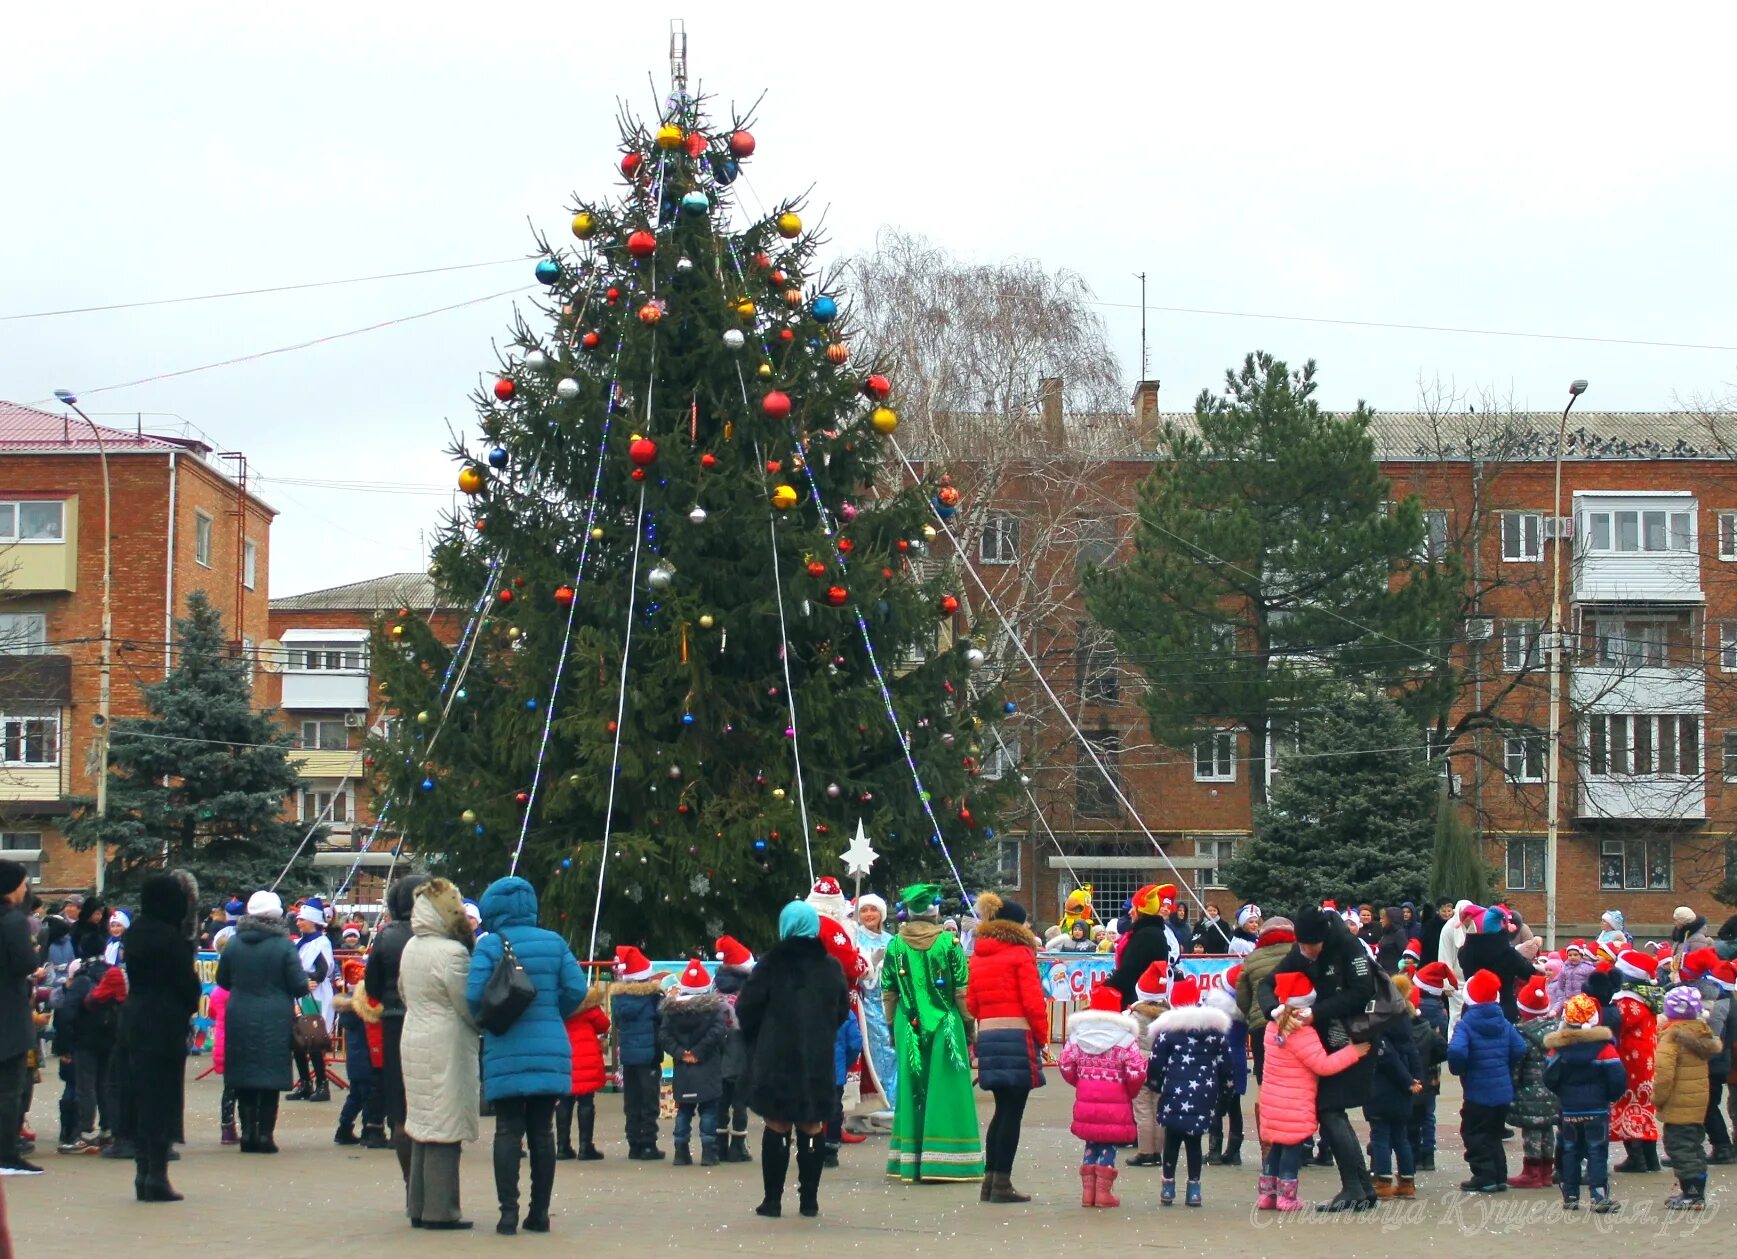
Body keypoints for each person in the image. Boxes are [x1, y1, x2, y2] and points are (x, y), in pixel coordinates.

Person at [465, 876, 587, 1236]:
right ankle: (540, 1213)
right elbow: (576, 988)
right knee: (542, 1131)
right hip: (551, 1046)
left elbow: (473, 996)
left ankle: (507, 1214)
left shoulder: (489, 946)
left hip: (506, 1047)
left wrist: (494, 1019)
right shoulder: (554, 942)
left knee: (506, 1131)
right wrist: (552, 1013)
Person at [1256, 906, 1378, 1212]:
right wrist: (1275, 1010)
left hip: (1353, 1037)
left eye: (1312, 947)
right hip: (1322, 1041)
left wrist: (1316, 1013)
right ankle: (1361, 1188)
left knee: (1329, 1109)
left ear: (1323, 939)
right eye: (1302, 946)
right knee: (1331, 1110)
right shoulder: (1303, 950)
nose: (1306, 953)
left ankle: (1355, 1187)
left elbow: (1362, 991)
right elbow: (1267, 983)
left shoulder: (1348, 947)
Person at [736, 900, 851, 1219]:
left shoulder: (771, 964)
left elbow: (747, 1007)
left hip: (776, 1056)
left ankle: (772, 1200)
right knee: (812, 1124)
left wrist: (759, 1037)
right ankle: (809, 1200)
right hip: (816, 1056)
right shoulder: (830, 966)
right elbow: (842, 1009)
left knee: (777, 1123)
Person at [881, 883, 982, 1185]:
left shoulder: (895, 945)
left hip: (907, 1022)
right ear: (935, 911)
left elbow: (888, 992)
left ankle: (910, 1160)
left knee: (912, 1089)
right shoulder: (949, 943)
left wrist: (891, 1027)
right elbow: (962, 992)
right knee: (947, 1088)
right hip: (945, 1024)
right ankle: (949, 1161)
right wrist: (969, 1027)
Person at [398, 877, 479, 1232]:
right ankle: (442, 1210)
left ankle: (417, 1205)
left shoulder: (411, 946)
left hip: (414, 1033)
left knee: (421, 1123)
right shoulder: (453, 953)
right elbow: (465, 1004)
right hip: (446, 1041)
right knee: (445, 1124)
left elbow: (403, 991)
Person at [115, 874, 201, 1202]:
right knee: (162, 1096)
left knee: (138, 1092)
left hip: (134, 1017)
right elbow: (186, 983)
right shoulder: (170, 938)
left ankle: (141, 1172)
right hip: (164, 1022)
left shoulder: (135, 932)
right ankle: (157, 1173)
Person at [965, 891, 1047, 1204]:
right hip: (1018, 1036)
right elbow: (1033, 1002)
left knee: (1001, 1110)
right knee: (1013, 1112)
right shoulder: (1020, 955)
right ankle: (1002, 1183)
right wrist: (1041, 1037)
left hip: (989, 1035)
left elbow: (972, 1002)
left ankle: (989, 1180)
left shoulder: (980, 955)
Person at [214, 891, 308, 1156]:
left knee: (244, 1075)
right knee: (269, 1075)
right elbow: (299, 984)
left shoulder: (233, 944)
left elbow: (222, 980)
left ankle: (247, 1135)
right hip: (275, 1017)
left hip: (239, 1014)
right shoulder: (284, 945)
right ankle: (265, 1135)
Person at [363, 873, 429, 1182]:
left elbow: (372, 985)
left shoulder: (386, 936)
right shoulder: (435, 935)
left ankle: (409, 1178)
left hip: (393, 1019)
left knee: (398, 1090)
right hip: (428, 1019)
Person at [1148, 975, 1233, 1208]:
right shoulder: (1215, 1033)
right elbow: (1227, 1066)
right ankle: (1194, 1188)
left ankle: (1168, 1186)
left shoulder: (1167, 1033)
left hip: (1173, 1093)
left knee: (1172, 1140)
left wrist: (1155, 1084)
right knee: (1195, 1143)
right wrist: (1225, 1093)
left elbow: (1156, 1064)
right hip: (1203, 1094)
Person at [1060, 985, 1147, 1209]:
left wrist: (1080, 1082)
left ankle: (1087, 1193)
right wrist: (1130, 1091)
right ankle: (1103, 1194)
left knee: (1091, 1143)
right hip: (1116, 1101)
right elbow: (1137, 1071)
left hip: (1086, 1101)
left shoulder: (1078, 1037)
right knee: (1108, 1146)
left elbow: (1065, 1064)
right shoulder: (1125, 1041)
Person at [1544, 993, 1627, 1212]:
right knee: (1597, 1150)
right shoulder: (1605, 1048)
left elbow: (1549, 1078)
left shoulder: (1558, 1049)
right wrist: (1609, 1096)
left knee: (1570, 1150)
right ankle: (1598, 1196)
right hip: (1597, 1108)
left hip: (1570, 1109)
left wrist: (1563, 1094)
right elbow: (1617, 1078)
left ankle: (1570, 1196)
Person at [1448, 968, 1528, 1193]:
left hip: (1477, 1090)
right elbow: (1519, 1047)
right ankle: (1499, 1175)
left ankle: (1484, 1175)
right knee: (1493, 1133)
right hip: (1502, 1090)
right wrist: (1506, 1065)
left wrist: (1460, 1069)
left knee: (1474, 1132)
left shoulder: (1466, 1024)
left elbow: (1456, 1052)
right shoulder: (1503, 1021)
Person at [1653, 985, 1721, 1211]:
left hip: (1678, 1103)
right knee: (1694, 1146)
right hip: (1697, 1102)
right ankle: (1695, 1189)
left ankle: (1692, 1194)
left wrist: (1658, 1099)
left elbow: (1664, 1074)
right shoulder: (1701, 1032)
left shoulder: (1671, 1037)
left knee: (1679, 1148)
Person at [660, 958, 730, 1167]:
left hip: (683, 1069)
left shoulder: (671, 1011)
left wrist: (682, 1053)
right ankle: (709, 1152)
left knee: (684, 1110)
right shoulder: (713, 1009)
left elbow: (664, 1036)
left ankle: (681, 1151)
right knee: (709, 1110)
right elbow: (718, 1031)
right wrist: (699, 1052)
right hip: (708, 1067)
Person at [0, 861, 45, 1176]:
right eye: (22, 883)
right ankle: (7, 1153)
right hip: (9, 1017)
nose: (25, 889)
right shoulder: (13, 921)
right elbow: (25, 962)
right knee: (10, 1090)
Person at [1365, 974, 1424, 1200]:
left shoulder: (1381, 1025)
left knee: (1380, 1136)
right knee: (1401, 1136)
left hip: (1382, 1089)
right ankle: (1407, 1182)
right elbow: (1413, 1054)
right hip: (1403, 1092)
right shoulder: (1406, 1025)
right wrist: (1416, 1079)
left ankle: (1383, 1181)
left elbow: (1388, 1059)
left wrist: (1407, 1081)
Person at [609, 945, 665, 1160]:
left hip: (629, 1056)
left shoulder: (618, 999)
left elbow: (618, 1024)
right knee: (649, 1100)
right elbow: (662, 1021)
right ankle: (649, 1144)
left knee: (632, 1100)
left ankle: (634, 1144)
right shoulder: (653, 999)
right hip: (649, 1055)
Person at [1610, 948, 1663, 1173]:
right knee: (1643, 1106)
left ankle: (1637, 1158)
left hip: (1631, 1060)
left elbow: (1616, 1025)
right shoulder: (1647, 997)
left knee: (1629, 1106)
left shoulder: (1627, 1002)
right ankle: (1650, 1158)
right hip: (1646, 1058)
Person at [1506, 976, 1560, 1189]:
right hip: (1552, 1091)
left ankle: (1532, 1171)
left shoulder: (1523, 1035)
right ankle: (1547, 1170)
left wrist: (1513, 1085)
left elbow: (1517, 1067)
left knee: (1532, 1133)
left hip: (1529, 1090)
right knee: (1548, 1130)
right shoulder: (1556, 1030)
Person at [851, 898, 897, 1125]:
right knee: (876, 1053)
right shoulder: (854, 938)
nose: (868, 914)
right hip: (865, 1004)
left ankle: (891, 1103)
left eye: (873, 910)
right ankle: (874, 1106)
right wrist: (871, 962)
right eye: (864, 910)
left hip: (889, 1004)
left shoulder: (891, 940)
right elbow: (854, 971)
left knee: (892, 1053)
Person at [1235, 914, 1294, 1087]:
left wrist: (1250, 1016)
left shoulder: (1252, 958)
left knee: (1264, 1072)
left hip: (1261, 1021)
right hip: (1295, 1019)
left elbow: (1242, 996)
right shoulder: (1299, 953)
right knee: (1293, 1072)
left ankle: (1263, 1108)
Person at [555, 978, 609, 1161]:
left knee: (564, 1102)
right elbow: (604, 1024)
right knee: (586, 1103)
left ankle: (562, 1146)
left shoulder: (558, 1006)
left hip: (563, 1056)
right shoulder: (588, 1007)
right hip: (586, 1060)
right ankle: (586, 1147)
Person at [711, 934, 754, 1161]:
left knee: (721, 1100)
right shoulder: (749, 987)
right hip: (741, 1050)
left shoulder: (715, 985)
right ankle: (738, 1146)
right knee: (740, 1102)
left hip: (718, 1050)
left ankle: (718, 1145)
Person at [1457, 906, 1538, 1021]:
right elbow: (1528, 972)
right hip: (1502, 1008)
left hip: (1473, 1007)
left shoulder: (1465, 952)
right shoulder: (1508, 953)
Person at [1410, 962, 1454, 1170]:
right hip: (1432, 1070)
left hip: (1412, 1067)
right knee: (1428, 1113)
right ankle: (1428, 1154)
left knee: (1411, 1114)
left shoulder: (1417, 1008)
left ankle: (1413, 1152)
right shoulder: (1440, 1011)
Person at [290, 900, 334, 1103]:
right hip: (300, 995)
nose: (298, 922)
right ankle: (305, 1083)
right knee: (297, 1041)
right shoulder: (300, 943)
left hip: (314, 997)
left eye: (302, 919)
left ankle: (322, 1084)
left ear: (313, 921)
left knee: (313, 1040)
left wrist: (307, 978)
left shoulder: (321, 942)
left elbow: (322, 970)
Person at [1126, 963, 1169, 1167]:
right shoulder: (1169, 1013)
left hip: (1140, 1062)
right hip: (1162, 1062)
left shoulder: (1135, 1015)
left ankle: (1145, 1151)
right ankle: (1159, 1152)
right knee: (1158, 1106)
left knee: (1142, 1107)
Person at [332, 959, 379, 1146]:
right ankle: (368, 1129)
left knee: (356, 1095)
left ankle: (344, 1127)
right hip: (367, 1059)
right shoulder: (365, 1010)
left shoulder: (349, 1011)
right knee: (368, 1095)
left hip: (355, 1060)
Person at [1105, 884, 1174, 1008]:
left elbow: (1129, 971)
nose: (1130, 912)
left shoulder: (1146, 935)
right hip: (1140, 998)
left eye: (1133, 908)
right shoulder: (1148, 932)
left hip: (1138, 1000)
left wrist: (1106, 986)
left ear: (1141, 912)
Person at [1204, 975, 1248, 1167]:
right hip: (1238, 1057)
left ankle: (1214, 1150)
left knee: (1215, 1104)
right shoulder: (1245, 1011)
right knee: (1235, 1105)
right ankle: (1234, 1151)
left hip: (1219, 1058)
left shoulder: (1214, 1011)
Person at [1548, 939, 1597, 1014]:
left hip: (1582, 999)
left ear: (1581, 956)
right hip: (1569, 999)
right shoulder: (1565, 968)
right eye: (1570, 955)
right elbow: (1561, 983)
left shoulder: (1587, 968)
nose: (1572, 957)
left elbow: (1593, 980)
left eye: (1575, 955)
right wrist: (1564, 994)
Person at [1375, 907, 1410, 975]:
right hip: (1384, 972)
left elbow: (1405, 955)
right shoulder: (1386, 933)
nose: (1380, 921)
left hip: (1395, 974)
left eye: (1383, 918)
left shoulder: (1399, 933)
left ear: (1391, 919)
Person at [1419, 899, 1454, 966]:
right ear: (1438, 911)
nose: (1447, 914)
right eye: (1444, 911)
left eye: (1449, 911)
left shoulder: (1455, 924)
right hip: (1433, 960)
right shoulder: (1431, 925)